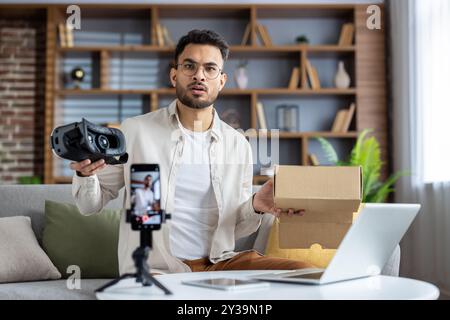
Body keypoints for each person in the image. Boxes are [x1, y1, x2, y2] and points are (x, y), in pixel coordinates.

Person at [70, 29, 314, 275]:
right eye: (190, 66)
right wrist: (85, 174)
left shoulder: (237, 144)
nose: (199, 75)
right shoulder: (136, 131)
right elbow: (89, 205)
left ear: (221, 80)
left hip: (219, 264)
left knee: (307, 273)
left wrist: (256, 205)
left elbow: (236, 229)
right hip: (157, 268)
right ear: (174, 75)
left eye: (210, 68)